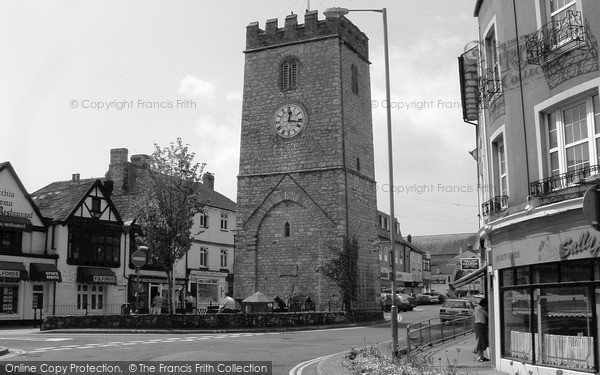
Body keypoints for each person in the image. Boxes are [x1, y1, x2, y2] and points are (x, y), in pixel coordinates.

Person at [474, 298, 489, 362]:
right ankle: (479, 356)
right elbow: (487, 314)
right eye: (486, 305)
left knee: (482, 340)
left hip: (480, 325)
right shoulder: (480, 308)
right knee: (480, 340)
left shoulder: (478, 307)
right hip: (480, 325)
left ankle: (482, 356)